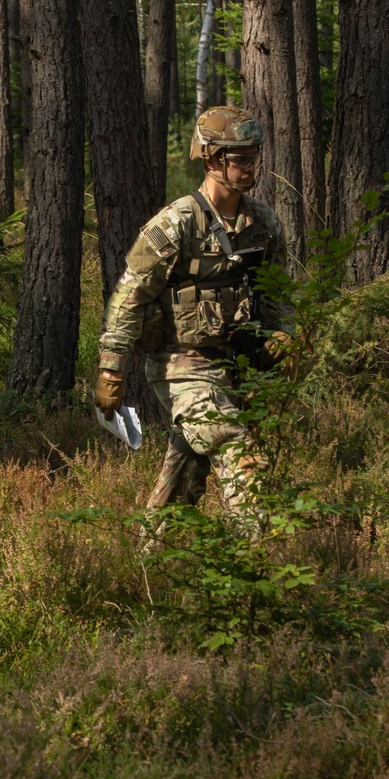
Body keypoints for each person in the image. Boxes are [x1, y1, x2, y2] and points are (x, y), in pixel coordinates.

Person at [93, 106, 291, 525]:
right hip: (179, 364)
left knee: (185, 471)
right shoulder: (177, 223)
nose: (250, 166)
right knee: (238, 452)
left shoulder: (263, 222)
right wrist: (111, 369)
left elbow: (276, 293)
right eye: (240, 158)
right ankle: (255, 570)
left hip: (236, 363)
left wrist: (284, 334)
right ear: (212, 159)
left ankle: (152, 556)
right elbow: (130, 298)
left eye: (253, 156)